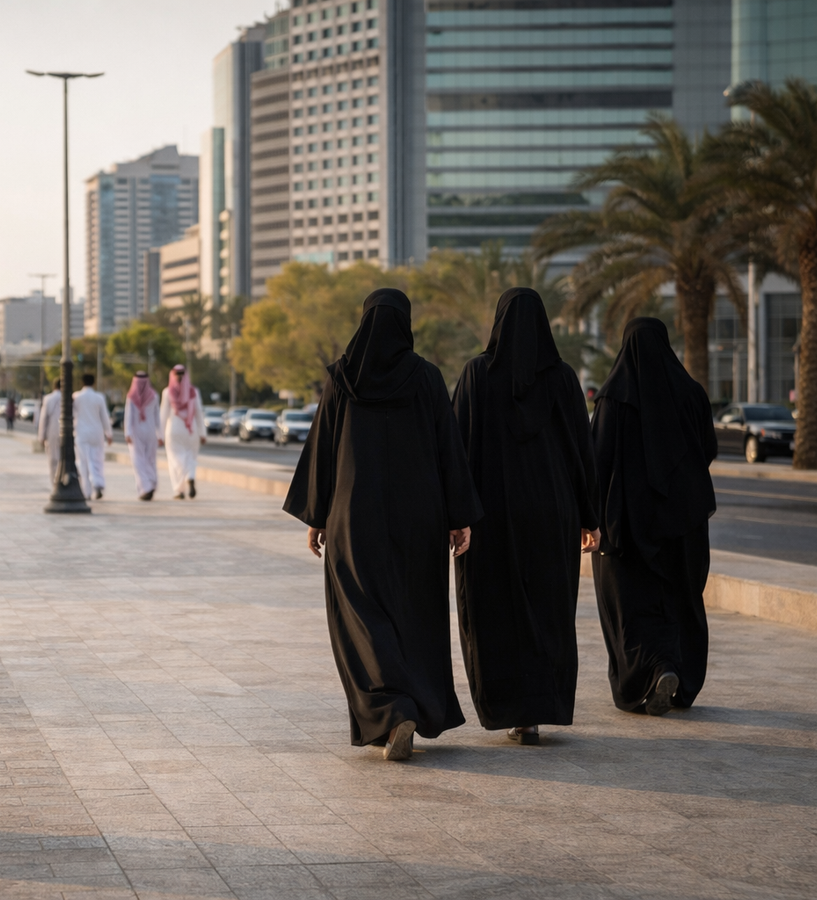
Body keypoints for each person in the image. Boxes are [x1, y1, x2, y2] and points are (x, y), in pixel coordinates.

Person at [284, 288, 482, 761]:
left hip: (354, 518)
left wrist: (316, 516)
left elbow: (323, 449)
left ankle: (391, 708)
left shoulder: (342, 378)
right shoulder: (428, 378)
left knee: (360, 614)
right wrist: (458, 518)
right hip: (421, 518)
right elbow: (447, 450)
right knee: (416, 612)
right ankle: (411, 702)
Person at [451, 288, 600, 746]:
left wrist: (456, 515)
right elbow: (582, 452)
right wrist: (590, 518)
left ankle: (510, 707)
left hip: (491, 514)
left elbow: (456, 449)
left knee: (494, 608)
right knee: (547, 609)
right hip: (552, 513)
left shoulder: (477, 374)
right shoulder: (562, 379)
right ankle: (536, 710)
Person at [591, 317, 717, 716]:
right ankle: (676, 669)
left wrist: (590, 516)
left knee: (628, 602)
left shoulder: (613, 396)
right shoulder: (692, 394)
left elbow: (598, 460)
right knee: (682, 596)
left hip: (628, 525)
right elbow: (708, 449)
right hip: (684, 522)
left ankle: (649, 671)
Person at [160, 364, 205, 499]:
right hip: (192, 430)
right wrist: (202, 433)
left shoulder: (168, 392)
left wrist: (159, 435)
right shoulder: (194, 392)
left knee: (175, 460)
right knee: (191, 457)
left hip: (174, 430)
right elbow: (199, 413)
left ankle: (179, 490)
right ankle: (190, 477)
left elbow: (163, 415)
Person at [72, 373, 113, 500]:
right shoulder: (99, 397)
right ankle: (98, 484)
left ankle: (87, 492)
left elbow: (72, 415)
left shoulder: (76, 396)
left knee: (83, 462)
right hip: (97, 433)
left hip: (81, 433)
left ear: (81, 382)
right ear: (93, 382)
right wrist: (109, 433)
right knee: (97, 460)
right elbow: (105, 416)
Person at [124, 371, 161, 500]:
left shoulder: (131, 396)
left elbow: (128, 416)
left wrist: (127, 433)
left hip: (136, 432)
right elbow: (157, 417)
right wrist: (159, 434)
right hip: (150, 431)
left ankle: (146, 487)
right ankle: (151, 482)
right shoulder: (154, 395)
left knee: (138, 460)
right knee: (150, 459)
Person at [37, 380, 62, 488]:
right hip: (67, 431)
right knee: (64, 457)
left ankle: (55, 482)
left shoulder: (48, 399)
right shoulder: (70, 398)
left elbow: (43, 418)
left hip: (52, 430)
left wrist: (41, 436)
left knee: (53, 459)